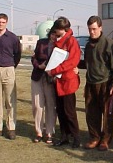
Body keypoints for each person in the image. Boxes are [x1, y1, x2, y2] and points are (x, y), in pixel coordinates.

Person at [84, 15, 113, 151]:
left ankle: (105, 140)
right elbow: (87, 62)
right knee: (91, 113)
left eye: (94, 29)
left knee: (107, 114)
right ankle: (94, 137)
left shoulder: (110, 44)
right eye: (89, 29)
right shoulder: (88, 45)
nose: (92, 32)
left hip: (106, 83)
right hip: (90, 83)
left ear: (100, 27)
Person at [46, 16, 81, 149]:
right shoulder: (59, 41)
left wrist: (54, 70)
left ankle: (76, 137)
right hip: (58, 81)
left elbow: (72, 61)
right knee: (60, 110)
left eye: (57, 29)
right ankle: (64, 136)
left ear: (63, 29)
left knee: (69, 111)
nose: (55, 31)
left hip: (67, 82)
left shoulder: (72, 41)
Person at [0, 13, 21, 140]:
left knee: (10, 100)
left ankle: (11, 128)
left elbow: (17, 54)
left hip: (8, 69)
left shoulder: (12, 38)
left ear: (6, 23)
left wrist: (11, 66)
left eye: (3, 22)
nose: (0, 24)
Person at [31, 27, 57, 144]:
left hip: (51, 78)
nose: (54, 37)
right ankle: (39, 132)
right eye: (52, 34)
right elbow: (34, 57)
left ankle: (50, 132)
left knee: (51, 106)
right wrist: (38, 65)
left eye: (56, 35)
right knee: (37, 105)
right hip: (38, 76)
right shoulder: (41, 43)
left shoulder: (60, 46)